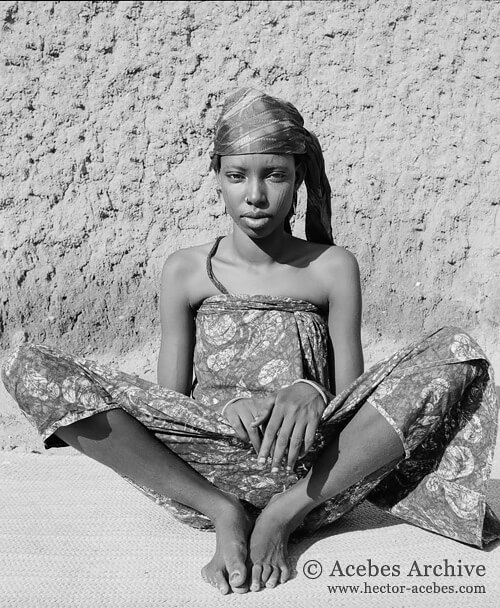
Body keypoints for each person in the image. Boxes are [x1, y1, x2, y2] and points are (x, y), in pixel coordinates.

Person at [2, 88, 499, 596]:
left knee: (458, 350)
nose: (255, 195)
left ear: (299, 177)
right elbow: (168, 406)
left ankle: (279, 517)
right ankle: (227, 515)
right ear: (217, 177)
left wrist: (311, 389)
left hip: (314, 476)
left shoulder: (331, 266)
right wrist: (230, 413)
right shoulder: (186, 269)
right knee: (24, 364)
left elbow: (356, 402)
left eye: (274, 175)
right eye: (237, 176)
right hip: (206, 472)